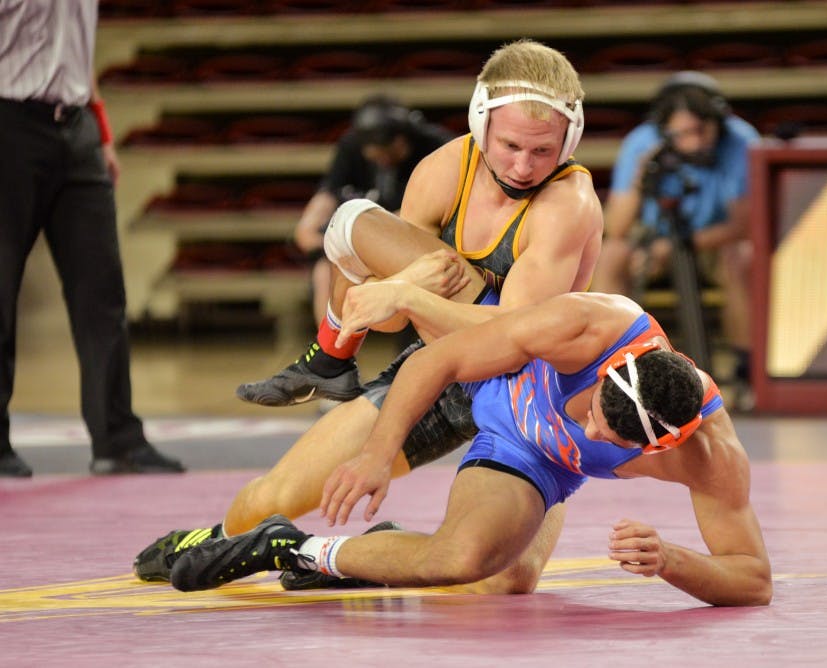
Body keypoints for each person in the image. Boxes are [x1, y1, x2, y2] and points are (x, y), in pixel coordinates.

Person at [132, 39, 603, 590]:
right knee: (270, 499)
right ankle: (215, 534)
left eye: (542, 152)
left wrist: (407, 293)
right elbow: (383, 320)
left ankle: (358, 552)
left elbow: (509, 341)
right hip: (438, 369)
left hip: (530, 395)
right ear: (480, 121)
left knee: (503, 581)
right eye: (510, 146)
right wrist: (398, 290)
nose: (523, 166)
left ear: (569, 141)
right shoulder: (446, 169)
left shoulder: (566, 205)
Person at [169, 290, 773, 607]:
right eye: (592, 412)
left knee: (482, 572)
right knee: (391, 255)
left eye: (612, 443)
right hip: (488, 380)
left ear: (667, 442)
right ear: (612, 367)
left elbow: (752, 579)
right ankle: (352, 327)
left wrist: (670, 559)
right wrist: (379, 454)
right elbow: (442, 358)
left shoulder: (710, 455)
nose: (592, 434)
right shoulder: (588, 326)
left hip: (535, 459)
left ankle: (294, 548)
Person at [0, 0, 184, 477]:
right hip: (8, 122)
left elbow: (75, 52)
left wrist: (101, 132)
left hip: (76, 124)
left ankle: (117, 440)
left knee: (102, 292)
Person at [589, 71, 759, 394]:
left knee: (743, 255)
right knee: (612, 255)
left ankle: (745, 368)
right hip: (655, 240)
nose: (694, 142)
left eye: (702, 130)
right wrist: (642, 175)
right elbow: (617, 227)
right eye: (684, 133)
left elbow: (745, 225)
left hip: (717, 242)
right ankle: (612, 369)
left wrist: (681, 244)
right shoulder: (643, 142)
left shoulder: (740, 141)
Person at [293, 95, 452, 327]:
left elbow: (431, 215)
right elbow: (328, 192)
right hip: (364, 239)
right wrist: (309, 226)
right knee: (323, 270)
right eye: (375, 153)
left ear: (403, 138)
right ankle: (329, 354)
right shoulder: (351, 145)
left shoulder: (436, 146)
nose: (382, 158)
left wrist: (374, 232)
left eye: (389, 151)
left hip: (418, 239)